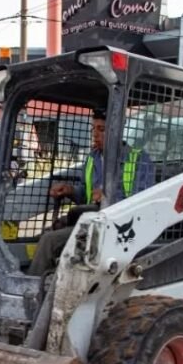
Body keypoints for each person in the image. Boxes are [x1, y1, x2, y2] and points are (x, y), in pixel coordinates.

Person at [28, 110, 153, 276]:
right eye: (93, 129)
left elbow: (144, 202)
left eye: (101, 130)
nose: (95, 135)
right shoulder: (92, 158)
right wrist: (70, 190)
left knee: (49, 241)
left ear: (118, 130)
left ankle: (30, 290)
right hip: (90, 222)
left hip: (118, 229)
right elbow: (86, 194)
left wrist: (108, 198)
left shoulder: (139, 160)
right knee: (46, 233)